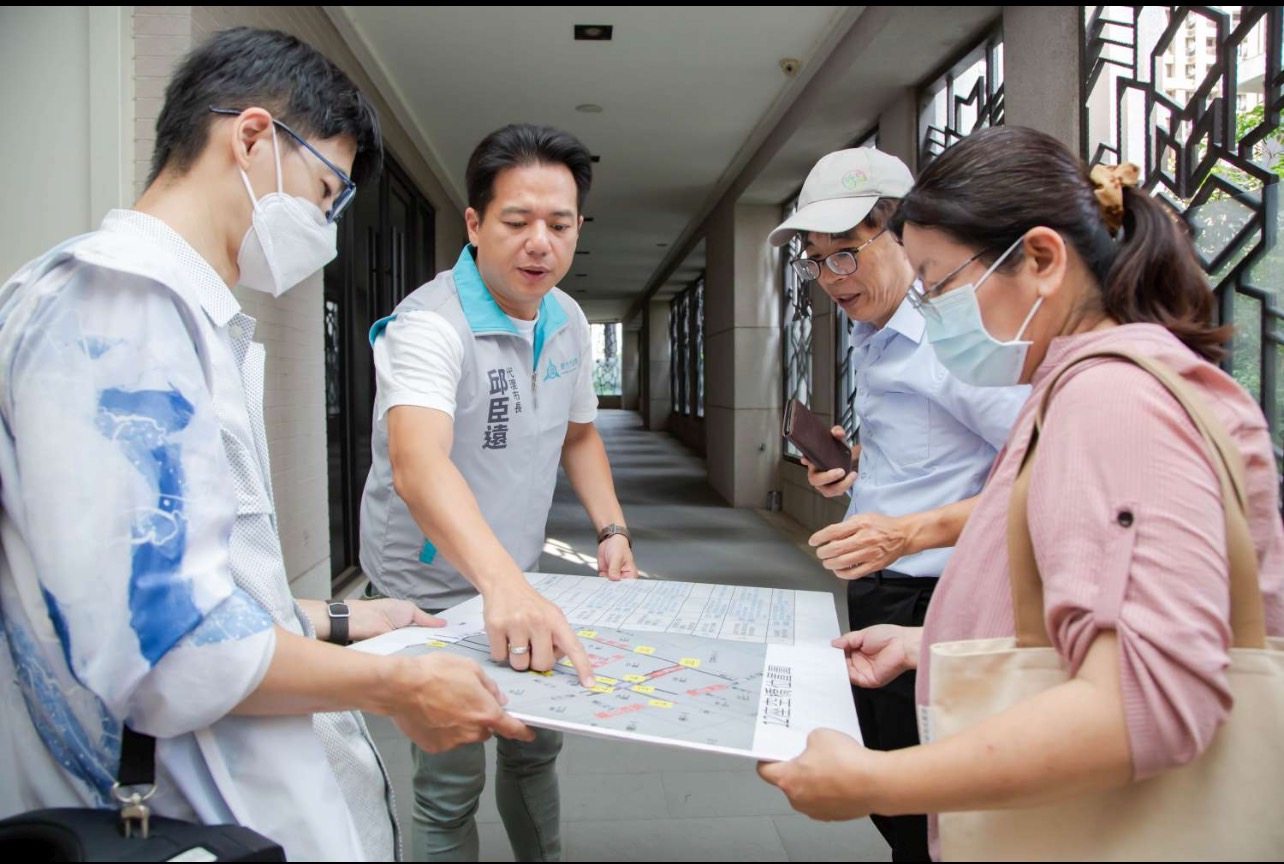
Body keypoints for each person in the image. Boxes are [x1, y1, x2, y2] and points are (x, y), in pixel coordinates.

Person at [0, 27, 529, 862]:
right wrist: (394, 685)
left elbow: (155, 577)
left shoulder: (169, 310)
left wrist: (346, 618)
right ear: (251, 137)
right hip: (180, 810)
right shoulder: (119, 307)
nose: (325, 223)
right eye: (327, 191)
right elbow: (165, 649)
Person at [759, 126, 1284, 859]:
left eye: (939, 286)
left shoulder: (1113, 401)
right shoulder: (1096, 380)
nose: (933, 311)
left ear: (1039, 259)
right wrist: (928, 644)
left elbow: (1145, 708)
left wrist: (878, 781)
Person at [359, 123, 636, 861]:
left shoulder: (569, 319)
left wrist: (611, 531)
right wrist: (500, 587)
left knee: (535, 748)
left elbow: (580, 435)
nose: (539, 242)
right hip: (433, 587)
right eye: (516, 222)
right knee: (450, 782)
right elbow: (419, 467)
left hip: (518, 576)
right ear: (476, 224)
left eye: (559, 223)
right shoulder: (428, 326)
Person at [767, 147, 1026, 860]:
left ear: (906, 235)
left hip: (937, 597)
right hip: (886, 593)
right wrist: (852, 472)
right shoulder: (875, 332)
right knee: (897, 797)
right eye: (814, 260)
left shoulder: (958, 341)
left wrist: (913, 530)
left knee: (932, 811)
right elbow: (935, 455)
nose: (828, 278)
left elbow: (1047, 478)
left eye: (845, 253)